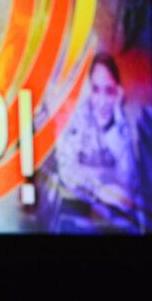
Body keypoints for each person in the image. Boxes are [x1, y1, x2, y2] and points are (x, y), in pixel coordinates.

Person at [53, 52, 139, 232]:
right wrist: (104, 185)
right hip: (77, 219)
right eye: (96, 90)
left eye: (109, 91)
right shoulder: (79, 117)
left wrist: (112, 128)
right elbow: (67, 174)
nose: (101, 101)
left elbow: (128, 192)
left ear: (118, 92)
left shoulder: (123, 125)